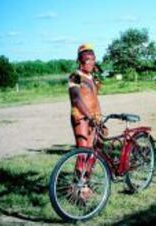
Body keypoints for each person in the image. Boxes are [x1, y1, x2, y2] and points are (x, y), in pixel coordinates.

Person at [68, 43, 103, 200]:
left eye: (92, 59)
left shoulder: (93, 77)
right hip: (81, 117)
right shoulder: (75, 75)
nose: (89, 62)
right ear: (79, 60)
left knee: (93, 152)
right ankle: (77, 189)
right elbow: (76, 98)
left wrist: (100, 119)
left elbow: (95, 99)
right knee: (83, 152)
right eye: (85, 60)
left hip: (93, 118)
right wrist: (89, 116)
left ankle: (85, 185)